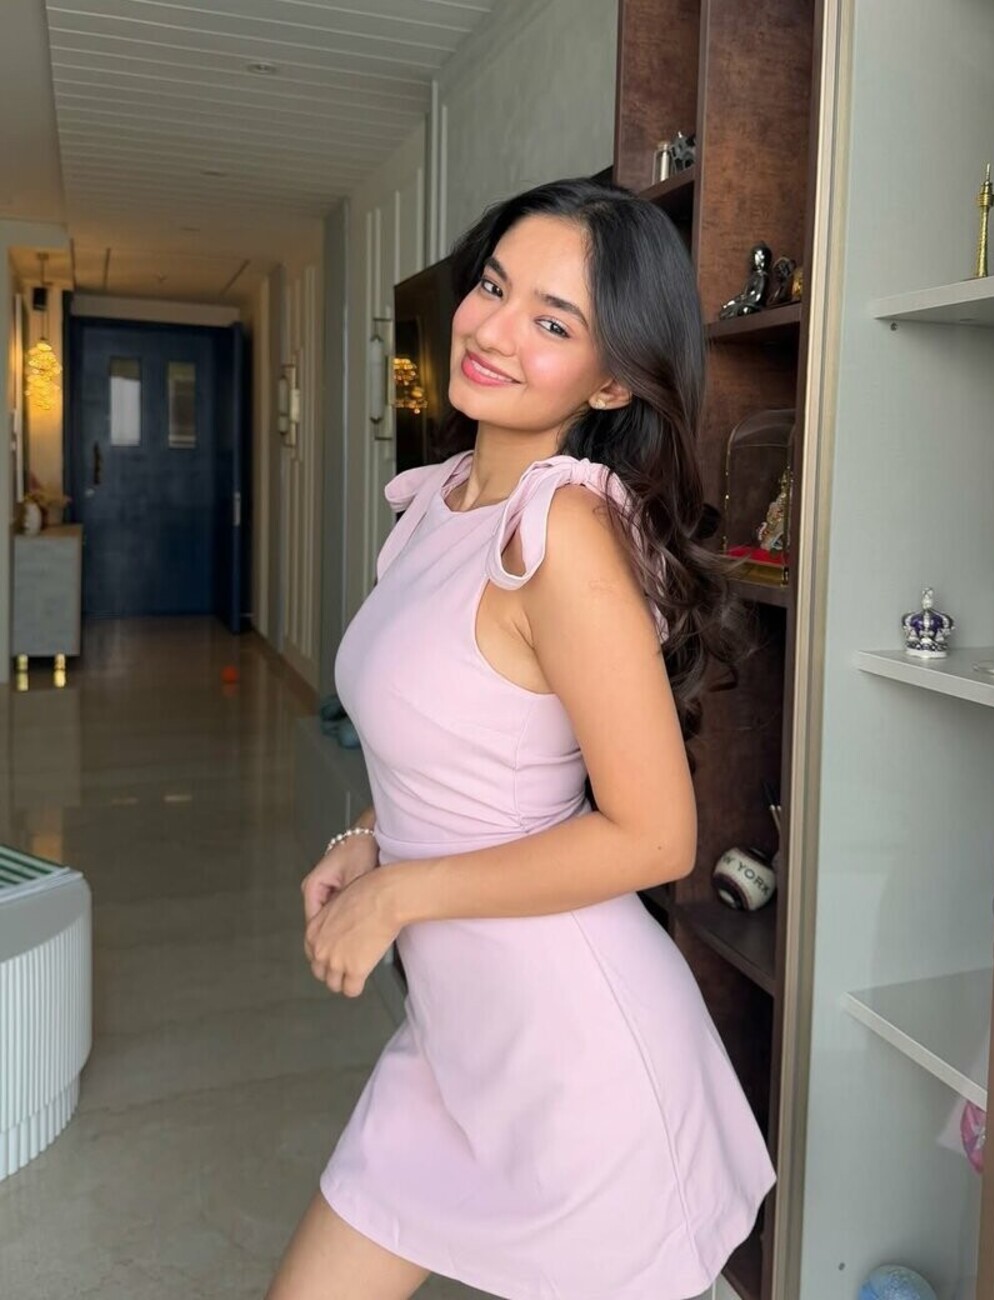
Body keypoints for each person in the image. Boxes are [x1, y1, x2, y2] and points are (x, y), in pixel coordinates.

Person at [267, 177, 775, 1300]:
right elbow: (456, 742)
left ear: (610, 378)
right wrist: (370, 837)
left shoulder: (565, 529)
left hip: (574, 1056)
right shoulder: (440, 499)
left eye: (552, 321)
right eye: (494, 287)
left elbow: (655, 837)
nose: (493, 330)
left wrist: (399, 895)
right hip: (456, 1041)